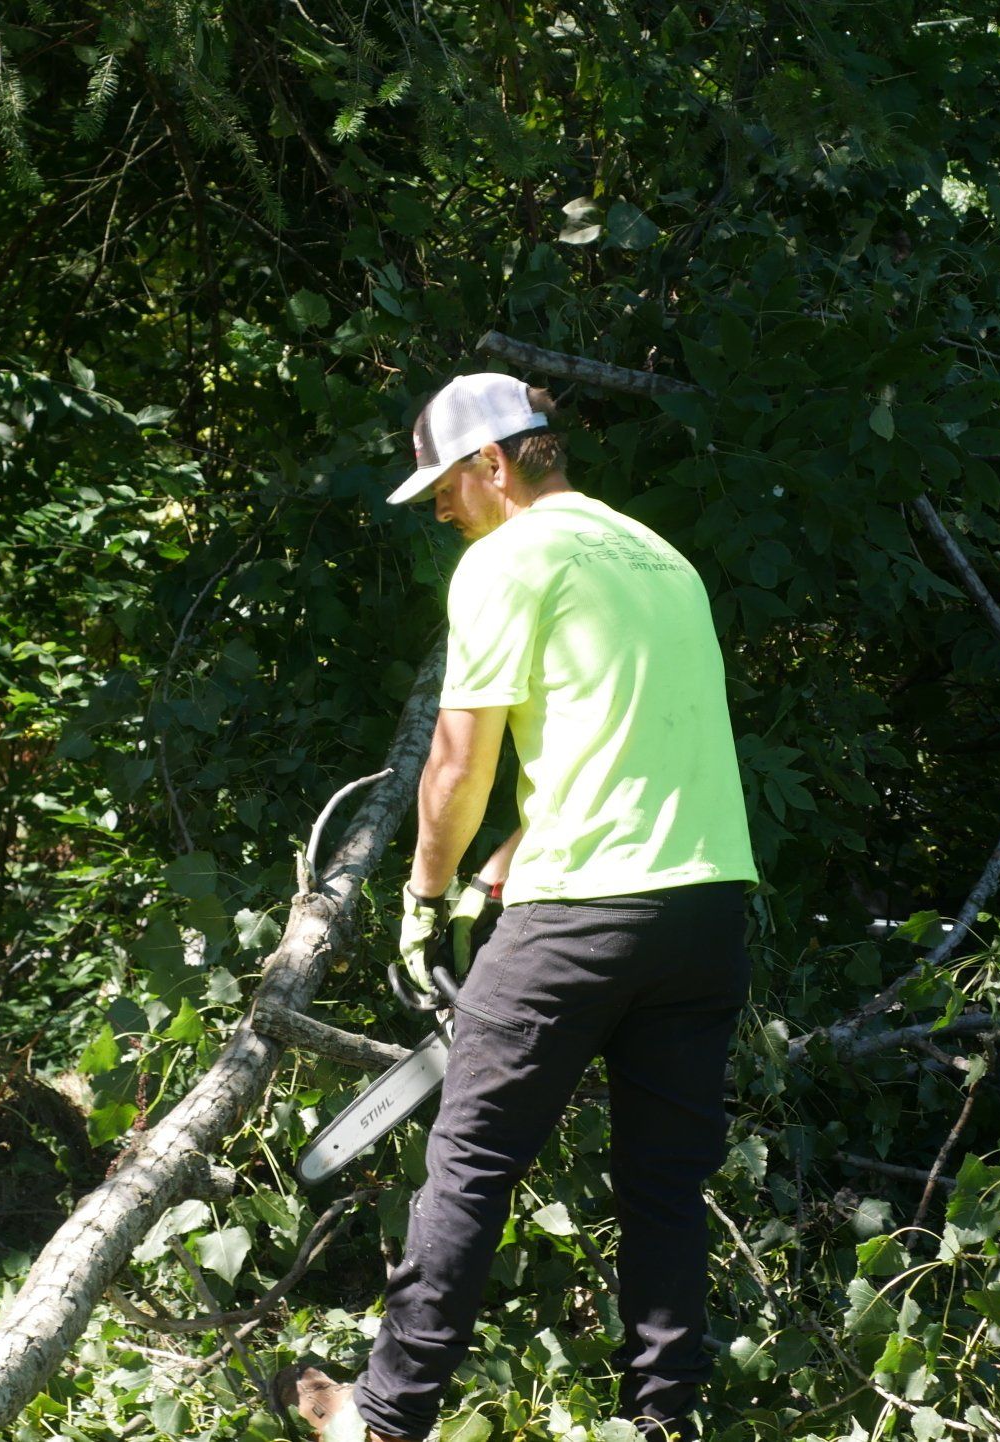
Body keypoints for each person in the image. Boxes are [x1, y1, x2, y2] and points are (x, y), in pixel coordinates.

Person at [283, 372, 757, 1442]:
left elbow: (457, 758)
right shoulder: (658, 556)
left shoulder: (508, 557)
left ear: (493, 464)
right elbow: (637, 747)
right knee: (666, 1182)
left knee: (469, 1162)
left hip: (583, 914)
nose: (443, 512)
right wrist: (513, 847)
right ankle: (662, 1420)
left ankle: (385, 1417)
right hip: (705, 906)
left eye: (446, 490)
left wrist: (427, 890)